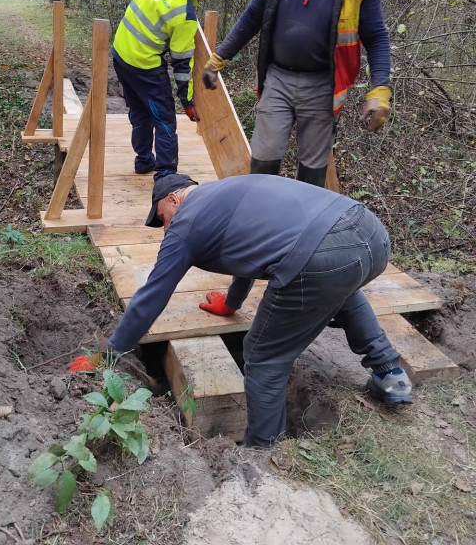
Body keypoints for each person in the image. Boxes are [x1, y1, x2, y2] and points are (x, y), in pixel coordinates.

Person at [107, 173, 413, 448]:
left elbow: (153, 295)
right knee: (339, 285)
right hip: (372, 235)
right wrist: (231, 304)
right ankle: (391, 376)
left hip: (324, 253)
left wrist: (110, 352)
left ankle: (262, 450)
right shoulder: (229, 190)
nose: (165, 228)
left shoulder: (186, 223)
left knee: (264, 355)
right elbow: (252, 253)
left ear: (174, 198)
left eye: (163, 218)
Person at [202, 0, 392, 188]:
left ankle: (302, 230)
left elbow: (377, 37)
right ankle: (259, 224)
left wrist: (380, 90)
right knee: (264, 160)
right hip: (277, 78)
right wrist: (219, 58)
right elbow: (255, 14)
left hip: (322, 87)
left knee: (312, 173)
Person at [113, 0, 218, 180]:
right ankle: (166, 176)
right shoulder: (185, 15)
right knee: (165, 120)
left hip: (120, 55)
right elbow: (182, 64)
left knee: (140, 110)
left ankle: (143, 160)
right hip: (144, 66)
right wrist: (187, 102)